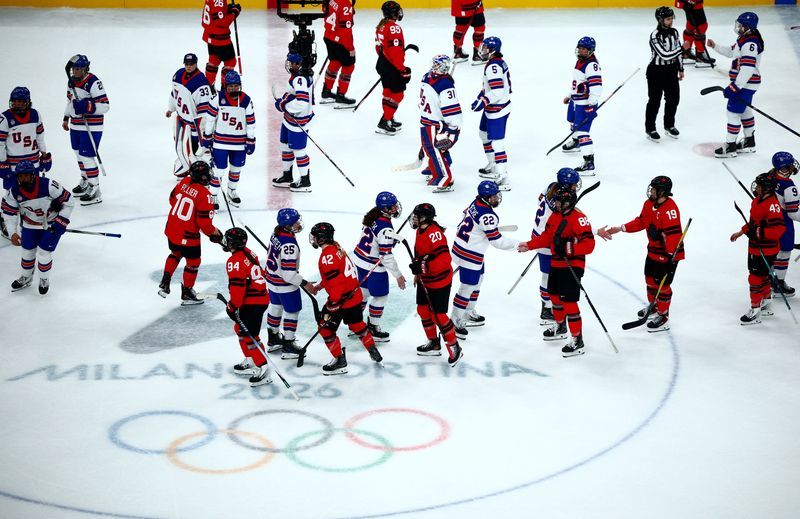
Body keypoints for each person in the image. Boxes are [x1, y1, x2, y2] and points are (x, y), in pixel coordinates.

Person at [597, 176, 685, 332]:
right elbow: (642, 221)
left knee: (663, 286)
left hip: (667, 255)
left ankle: (663, 315)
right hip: (652, 251)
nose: (651, 191)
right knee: (650, 280)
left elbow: (674, 237)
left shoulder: (670, 210)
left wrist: (669, 259)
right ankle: (654, 306)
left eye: (654, 189)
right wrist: (621, 228)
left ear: (663, 191)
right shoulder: (648, 204)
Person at [518, 185, 595, 357]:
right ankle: (560, 326)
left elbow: (589, 245)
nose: (556, 204)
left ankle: (577, 340)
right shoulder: (555, 216)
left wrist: (569, 248)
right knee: (553, 296)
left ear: (567, 202)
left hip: (572, 265)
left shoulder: (580, 219)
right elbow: (547, 237)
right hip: (557, 263)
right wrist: (529, 245)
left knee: (569, 303)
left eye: (559, 201)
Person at [308, 222, 383, 375]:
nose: (313, 239)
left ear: (321, 239)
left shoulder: (327, 257)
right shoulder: (337, 248)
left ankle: (339, 360)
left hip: (342, 299)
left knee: (325, 329)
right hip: (354, 296)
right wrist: (320, 286)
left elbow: (337, 283)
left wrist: (333, 304)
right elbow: (337, 275)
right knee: (357, 325)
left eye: (315, 236)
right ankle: (371, 348)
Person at [451, 180, 518, 339]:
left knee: (478, 281)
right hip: (470, 254)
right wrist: (518, 245)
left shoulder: (476, 202)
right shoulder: (488, 215)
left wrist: (481, 231)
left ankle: (467, 312)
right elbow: (497, 241)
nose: (497, 198)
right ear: (487, 197)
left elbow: (464, 217)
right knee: (467, 287)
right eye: (494, 196)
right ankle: (454, 321)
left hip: (464, 248)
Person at [2, 160, 74, 295]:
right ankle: (26, 277)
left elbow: (69, 201)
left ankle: (44, 279)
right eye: (20, 176)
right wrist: (12, 233)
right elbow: (9, 213)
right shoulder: (13, 191)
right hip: (30, 225)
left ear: (33, 175)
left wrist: (61, 221)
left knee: (44, 254)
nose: (23, 179)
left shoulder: (49, 185)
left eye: (26, 175)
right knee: (27, 252)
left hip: (51, 224)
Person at [159, 161, 224, 305]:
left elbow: (172, 199)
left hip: (172, 228)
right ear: (204, 177)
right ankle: (187, 292)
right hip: (188, 235)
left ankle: (165, 280)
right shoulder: (206, 195)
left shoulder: (185, 181)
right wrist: (218, 235)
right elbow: (205, 225)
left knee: (175, 253)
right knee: (193, 262)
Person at [410, 203, 463, 366]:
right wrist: (419, 273)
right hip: (425, 279)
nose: (414, 218)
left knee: (438, 315)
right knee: (422, 310)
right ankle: (433, 342)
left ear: (425, 218)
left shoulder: (434, 234)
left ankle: (455, 347)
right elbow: (421, 255)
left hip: (439, 281)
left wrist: (424, 268)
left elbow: (445, 260)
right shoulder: (420, 230)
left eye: (417, 216)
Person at [730, 173, 784, 325]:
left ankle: (755, 311)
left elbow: (778, 230)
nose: (756, 187)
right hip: (755, 247)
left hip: (766, 249)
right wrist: (741, 232)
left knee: (754, 277)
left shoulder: (773, 205)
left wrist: (759, 232)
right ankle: (766, 302)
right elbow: (753, 223)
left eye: (759, 185)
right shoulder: (756, 201)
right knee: (764, 275)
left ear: (767, 188)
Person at [352, 191, 407, 342]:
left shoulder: (373, 215)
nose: (396, 208)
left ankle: (355, 324)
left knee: (363, 293)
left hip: (360, 260)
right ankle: (373, 328)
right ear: (385, 209)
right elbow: (386, 256)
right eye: (393, 207)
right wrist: (398, 275)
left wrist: (387, 242)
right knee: (380, 296)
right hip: (373, 266)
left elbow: (375, 240)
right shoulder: (385, 228)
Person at [530, 168, 582, 325]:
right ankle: (547, 309)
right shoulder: (558, 202)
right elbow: (569, 219)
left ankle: (550, 306)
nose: (575, 186)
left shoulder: (551, 186)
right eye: (573, 185)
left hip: (539, 234)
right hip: (546, 239)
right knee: (548, 275)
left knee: (549, 275)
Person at [709, 12, 763, 158]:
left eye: (741, 25)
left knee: (732, 113)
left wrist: (735, 86)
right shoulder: (744, 39)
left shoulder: (750, 43)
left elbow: (747, 68)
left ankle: (730, 146)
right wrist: (715, 46)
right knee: (744, 111)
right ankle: (749, 142)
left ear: (748, 27)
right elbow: (731, 51)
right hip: (747, 84)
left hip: (746, 84)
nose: (738, 27)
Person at [223, 227, 273, 387]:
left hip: (254, 302)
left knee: (250, 336)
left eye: (228, 240)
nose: (226, 243)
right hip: (258, 298)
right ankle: (251, 360)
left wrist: (232, 306)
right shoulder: (248, 252)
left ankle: (263, 368)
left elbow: (238, 288)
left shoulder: (234, 262)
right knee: (240, 329)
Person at [0, 87, 51, 239]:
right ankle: (5, 219)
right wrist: (2, 163)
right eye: (15, 101)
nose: (18, 104)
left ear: (28, 102)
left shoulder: (35, 114)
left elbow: (40, 136)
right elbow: (0, 143)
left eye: (21, 102)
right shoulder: (4, 118)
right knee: (12, 195)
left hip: (33, 164)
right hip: (14, 167)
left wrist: (44, 154)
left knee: (30, 195)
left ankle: (26, 222)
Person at [202, 70, 255, 207]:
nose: (233, 88)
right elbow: (210, 119)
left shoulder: (246, 100)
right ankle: (213, 196)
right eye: (231, 85)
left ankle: (232, 191)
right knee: (218, 171)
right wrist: (207, 136)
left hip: (239, 144)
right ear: (225, 85)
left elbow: (251, 122)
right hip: (220, 143)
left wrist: (251, 140)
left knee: (236, 168)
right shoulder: (217, 98)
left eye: (236, 85)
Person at [63, 54, 109, 205]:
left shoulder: (93, 82)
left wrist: (87, 106)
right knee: (78, 155)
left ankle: (95, 189)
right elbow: (70, 102)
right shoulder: (71, 83)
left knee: (87, 156)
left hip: (91, 126)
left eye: (77, 69)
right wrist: (66, 117)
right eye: (73, 69)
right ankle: (85, 180)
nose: (74, 72)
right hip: (75, 125)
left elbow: (105, 106)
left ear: (85, 69)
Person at [264, 208, 311, 359]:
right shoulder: (289, 245)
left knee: (276, 306)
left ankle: (273, 338)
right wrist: (305, 283)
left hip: (271, 279)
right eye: (295, 222)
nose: (298, 224)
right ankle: (289, 344)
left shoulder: (276, 232)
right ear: (287, 225)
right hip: (285, 285)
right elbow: (289, 274)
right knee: (292, 311)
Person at [472, 36, 511, 190]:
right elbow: (489, 87)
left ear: (493, 50)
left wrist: (483, 101)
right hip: (493, 107)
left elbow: (497, 91)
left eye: (486, 48)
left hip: (498, 109)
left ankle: (503, 176)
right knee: (483, 134)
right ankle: (493, 164)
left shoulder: (493, 66)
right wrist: (481, 96)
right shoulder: (494, 62)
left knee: (497, 143)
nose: (483, 50)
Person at [419, 54, 462, 193]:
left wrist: (453, 127)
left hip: (435, 123)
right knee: (431, 149)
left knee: (434, 150)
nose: (435, 67)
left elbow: (452, 107)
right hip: (426, 118)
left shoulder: (444, 84)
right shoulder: (428, 76)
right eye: (434, 64)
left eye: (438, 64)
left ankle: (444, 178)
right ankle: (436, 167)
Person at [166, 53, 214, 177]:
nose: (188, 67)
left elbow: (204, 108)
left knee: (192, 148)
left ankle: (195, 170)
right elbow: (174, 94)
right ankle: (185, 164)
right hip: (180, 118)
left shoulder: (201, 81)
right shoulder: (178, 75)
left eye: (191, 64)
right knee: (178, 144)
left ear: (196, 64)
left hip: (192, 123)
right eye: (186, 64)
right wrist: (171, 109)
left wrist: (203, 129)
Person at [272, 53, 314, 193]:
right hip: (289, 119)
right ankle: (287, 175)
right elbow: (293, 95)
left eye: (292, 62)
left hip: (298, 121)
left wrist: (284, 105)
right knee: (284, 145)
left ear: (299, 64)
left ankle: (305, 181)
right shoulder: (299, 76)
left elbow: (302, 103)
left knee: (298, 150)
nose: (289, 65)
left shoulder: (300, 79)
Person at [561, 36, 602, 175]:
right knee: (573, 123)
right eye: (580, 48)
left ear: (590, 51)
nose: (581, 51)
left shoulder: (592, 65)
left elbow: (596, 88)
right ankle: (576, 142)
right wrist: (569, 95)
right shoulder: (579, 61)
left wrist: (591, 105)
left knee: (583, 132)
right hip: (576, 101)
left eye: (584, 49)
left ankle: (589, 162)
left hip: (584, 104)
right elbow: (576, 81)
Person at [645, 7, 684, 143]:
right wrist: (683, 48)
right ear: (660, 20)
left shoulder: (674, 32)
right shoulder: (655, 35)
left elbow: (678, 52)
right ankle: (650, 128)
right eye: (668, 19)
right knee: (654, 101)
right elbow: (664, 54)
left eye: (672, 18)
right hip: (656, 72)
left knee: (673, 99)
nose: (671, 21)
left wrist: (681, 68)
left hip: (671, 71)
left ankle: (669, 125)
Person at [375, 0, 410, 135]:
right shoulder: (394, 28)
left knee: (388, 92)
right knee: (397, 94)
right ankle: (385, 120)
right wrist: (401, 68)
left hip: (383, 63)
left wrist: (385, 61)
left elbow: (378, 48)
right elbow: (395, 51)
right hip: (392, 65)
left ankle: (388, 117)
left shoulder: (381, 26)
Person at [769, 151, 799, 297]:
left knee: (773, 251)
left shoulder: (769, 177)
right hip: (783, 224)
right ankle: (778, 284)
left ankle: (770, 281)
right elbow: (792, 213)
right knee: (784, 252)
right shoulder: (789, 186)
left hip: (768, 220)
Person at [321, 0, 356, 106]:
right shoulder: (345, 5)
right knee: (349, 66)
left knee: (335, 62)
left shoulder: (331, 0)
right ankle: (341, 95)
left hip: (328, 36)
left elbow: (325, 10)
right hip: (340, 40)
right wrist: (350, 48)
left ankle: (326, 91)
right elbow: (345, 31)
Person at [201, 0, 241, 91]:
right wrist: (234, 13)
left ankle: (209, 88)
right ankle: (225, 88)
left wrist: (227, 10)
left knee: (214, 60)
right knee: (230, 62)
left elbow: (215, 15)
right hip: (220, 38)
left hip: (211, 35)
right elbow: (221, 22)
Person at [675, 0, 715, 67]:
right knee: (702, 27)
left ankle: (686, 53)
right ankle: (700, 56)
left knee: (690, 26)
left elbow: (677, 3)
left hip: (690, 4)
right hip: (695, 5)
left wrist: (684, 5)